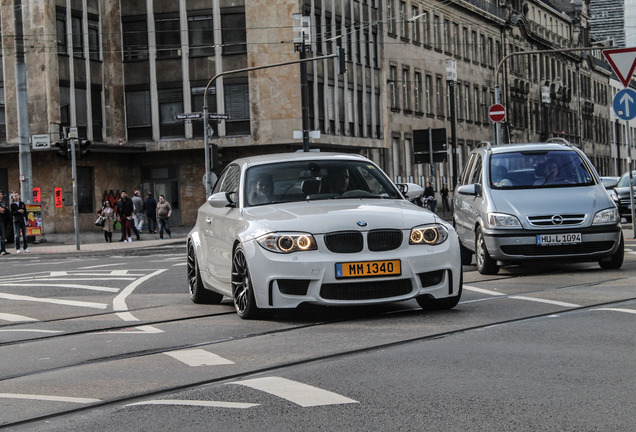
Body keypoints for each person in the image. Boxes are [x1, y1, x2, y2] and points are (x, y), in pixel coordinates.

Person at [0, 190, 10, 255]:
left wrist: (5, 209)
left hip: (4, 220)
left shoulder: (4, 202)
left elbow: (6, 210)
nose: (0, 195)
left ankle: (3, 249)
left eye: (1, 194)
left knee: (3, 236)